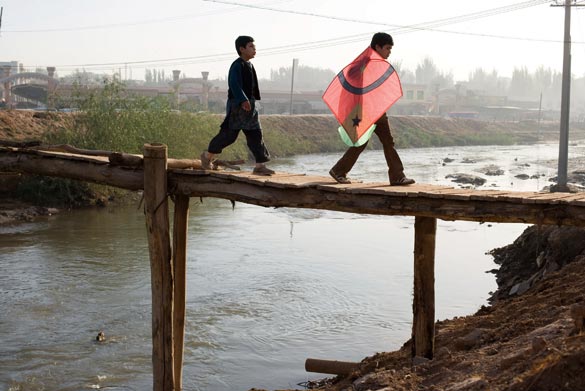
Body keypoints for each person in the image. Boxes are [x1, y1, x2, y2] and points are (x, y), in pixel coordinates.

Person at [329, 32, 415, 186]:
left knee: (384, 142)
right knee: (371, 142)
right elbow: (353, 86)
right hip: (365, 112)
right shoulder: (361, 65)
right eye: (387, 48)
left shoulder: (373, 64)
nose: (389, 52)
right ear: (378, 47)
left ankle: (396, 176)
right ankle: (396, 176)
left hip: (375, 111)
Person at [201, 35, 274, 176]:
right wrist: (242, 100)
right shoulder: (237, 65)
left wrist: (250, 101)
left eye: (254, 46)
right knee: (229, 135)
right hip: (237, 105)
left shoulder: (249, 65)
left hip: (250, 105)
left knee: (256, 134)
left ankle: (259, 165)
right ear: (242, 49)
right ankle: (207, 156)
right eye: (251, 46)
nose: (254, 49)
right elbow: (234, 84)